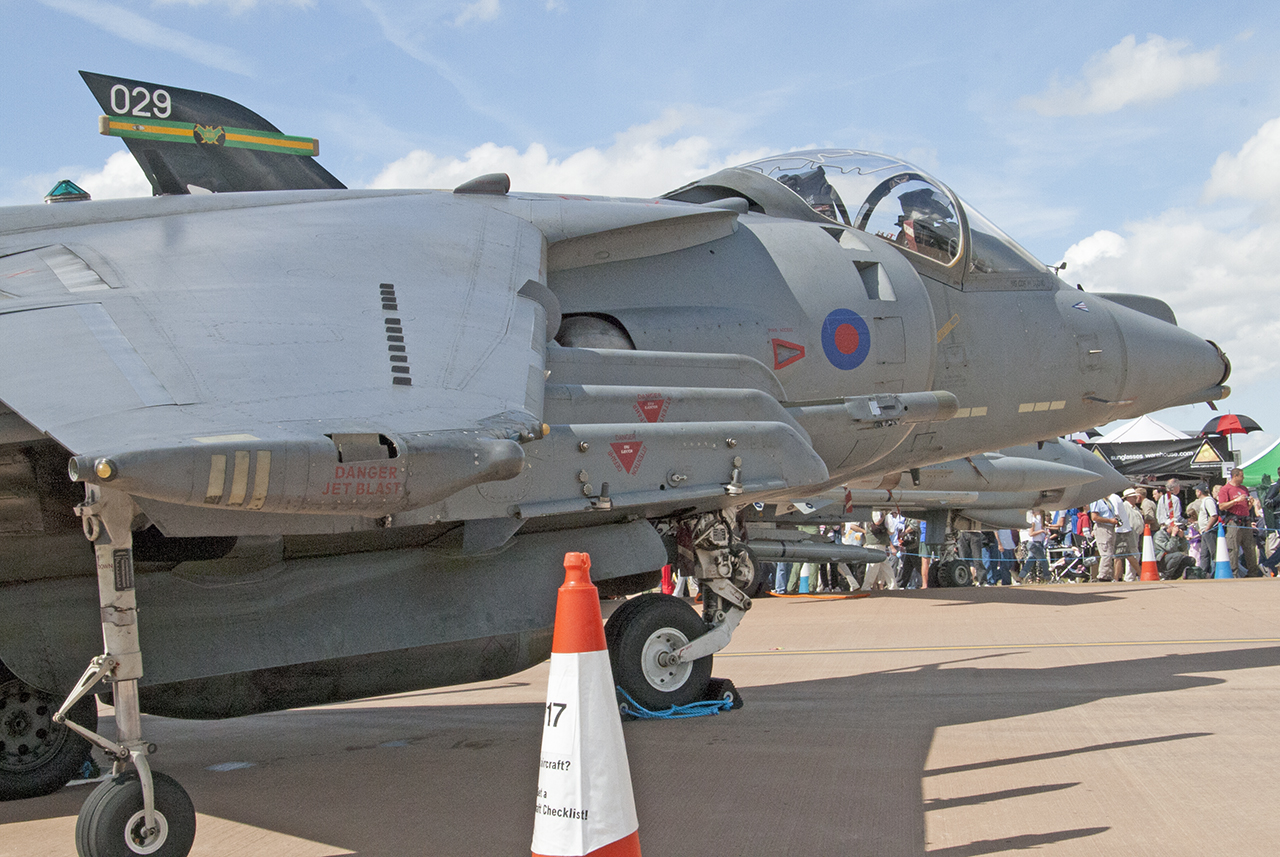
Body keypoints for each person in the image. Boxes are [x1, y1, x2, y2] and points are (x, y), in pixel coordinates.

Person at [1219, 468, 1262, 577]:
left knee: (1250, 548)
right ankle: (1234, 573)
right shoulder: (1226, 489)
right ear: (1235, 476)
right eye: (1241, 476)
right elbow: (1222, 506)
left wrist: (1250, 504)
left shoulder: (1244, 489)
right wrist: (1235, 500)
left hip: (1245, 521)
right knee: (1233, 549)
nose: (1243, 478)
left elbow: (1246, 508)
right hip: (1234, 521)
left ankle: (1253, 573)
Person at [1114, 488, 1143, 582]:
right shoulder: (1125, 506)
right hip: (1128, 533)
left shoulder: (1135, 508)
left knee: (1134, 555)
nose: (1136, 498)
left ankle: (1132, 576)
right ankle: (1130, 577)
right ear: (1129, 498)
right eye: (1134, 497)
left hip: (1135, 534)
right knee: (1132, 555)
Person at [1090, 493, 1120, 581]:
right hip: (1102, 527)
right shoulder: (1097, 501)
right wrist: (1110, 520)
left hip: (1111, 527)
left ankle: (1108, 574)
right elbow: (1094, 517)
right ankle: (1102, 575)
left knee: (1110, 552)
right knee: (1106, 551)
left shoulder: (1108, 501)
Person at [1192, 482, 1219, 580]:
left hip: (1209, 531)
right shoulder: (1205, 501)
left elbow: (1213, 515)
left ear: (1199, 492)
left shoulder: (1208, 500)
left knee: (1213, 552)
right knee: (1204, 554)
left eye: (1196, 491)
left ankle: (1215, 572)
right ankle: (1203, 573)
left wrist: (1207, 527)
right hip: (1204, 531)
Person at [1022, 511, 1049, 582]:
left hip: (1039, 542)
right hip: (1034, 542)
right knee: (1032, 560)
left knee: (1038, 562)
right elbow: (1031, 533)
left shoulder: (1037, 519)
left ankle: (1037, 577)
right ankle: (1029, 577)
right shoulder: (1032, 521)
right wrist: (1041, 531)